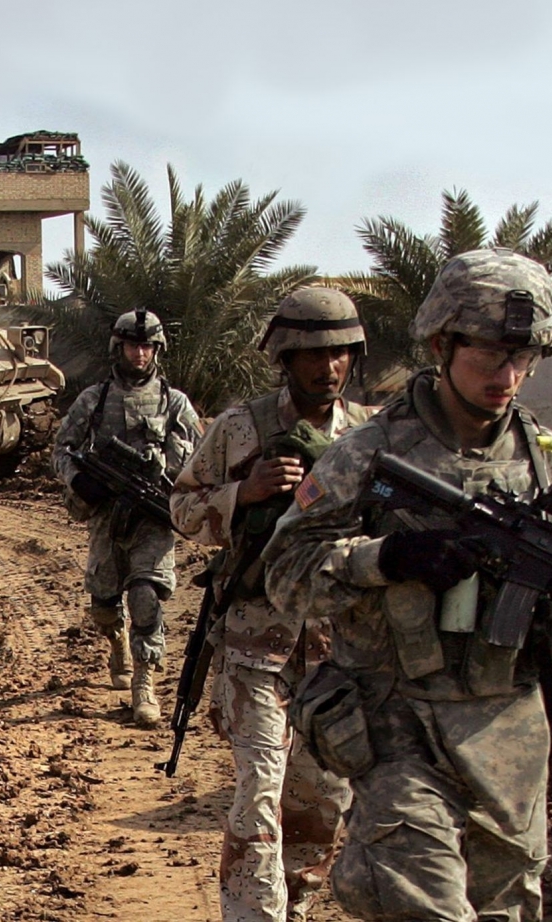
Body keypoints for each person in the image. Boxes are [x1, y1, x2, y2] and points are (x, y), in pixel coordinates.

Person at [261, 249, 552, 922]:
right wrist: (387, 558)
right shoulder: (371, 453)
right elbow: (286, 572)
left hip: (511, 737)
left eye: (522, 359)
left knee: (506, 908)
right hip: (397, 723)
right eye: (489, 356)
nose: (507, 376)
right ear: (442, 344)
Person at [171, 286, 372, 922]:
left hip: (341, 650)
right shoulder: (240, 428)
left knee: (322, 802)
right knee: (259, 794)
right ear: (284, 358)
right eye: (313, 353)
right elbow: (181, 507)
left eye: (340, 353)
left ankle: (296, 907)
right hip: (258, 646)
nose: (328, 366)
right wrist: (241, 493)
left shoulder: (371, 435)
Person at [52, 309, 202, 727]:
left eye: (148, 346)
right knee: (103, 603)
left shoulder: (175, 403)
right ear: (118, 348)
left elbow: (204, 458)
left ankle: (144, 685)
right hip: (106, 515)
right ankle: (115, 639)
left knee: (146, 596)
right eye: (134, 345)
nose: (141, 354)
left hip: (152, 516)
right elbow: (62, 449)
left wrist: (174, 470)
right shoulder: (94, 400)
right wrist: (79, 479)